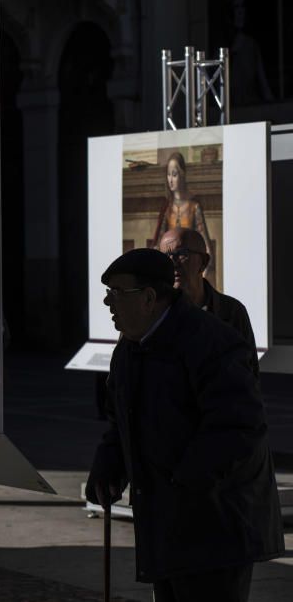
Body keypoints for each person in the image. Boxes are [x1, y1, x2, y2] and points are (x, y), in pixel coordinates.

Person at [85, 248, 283, 601]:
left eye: (116, 293)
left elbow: (238, 427)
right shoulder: (131, 347)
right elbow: (122, 417)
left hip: (216, 525)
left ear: (148, 298)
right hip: (167, 523)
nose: (107, 302)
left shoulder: (211, 342)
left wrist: (183, 483)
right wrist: (111, 462)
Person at [158, 227, 258, 375]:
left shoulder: (231, 312)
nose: (172, 263)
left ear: (204, 262)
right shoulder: (151, 313)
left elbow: (250, 376)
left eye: (181, 254)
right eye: (166, 256)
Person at [154, 153, 213, 280]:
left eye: (174, 174)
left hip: (190, 267)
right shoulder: (167, 208)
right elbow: (159, 244)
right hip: (170, 269)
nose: (170, 179)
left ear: (183, 175)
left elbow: (206, 246)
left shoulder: (194, 206)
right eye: (168, 174)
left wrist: (202, 273)